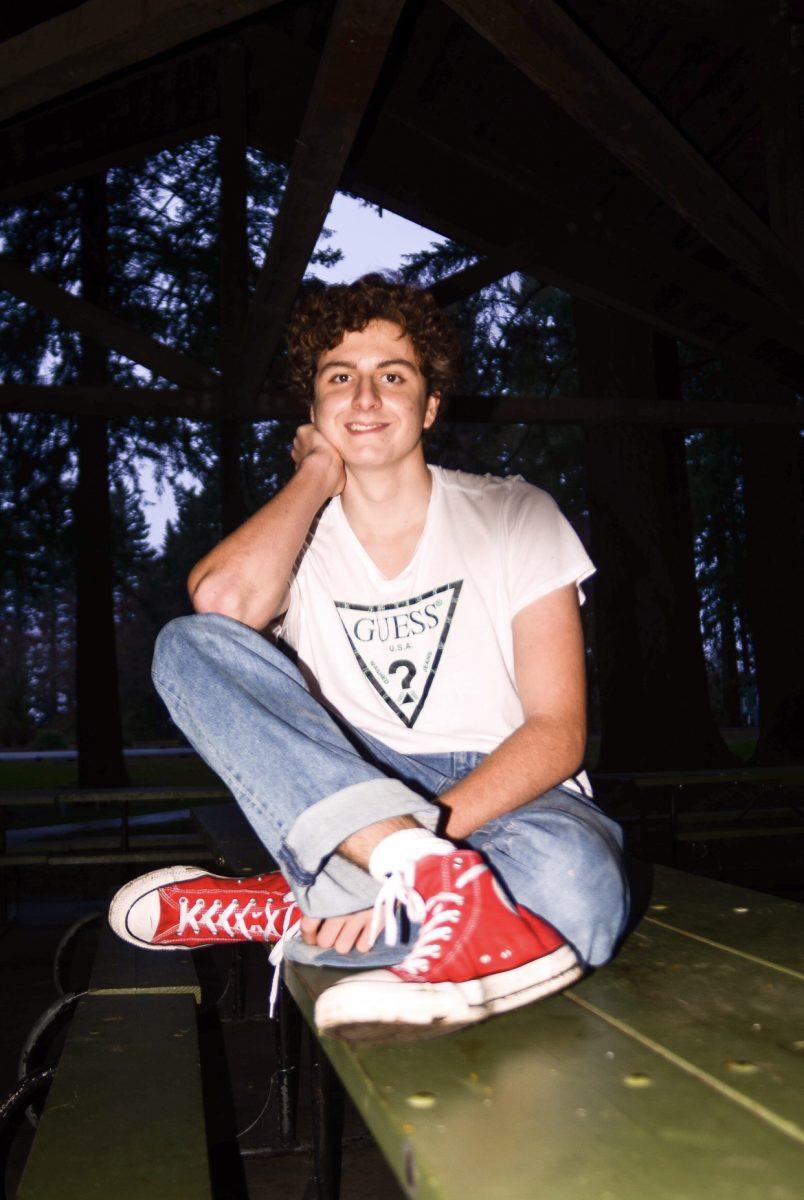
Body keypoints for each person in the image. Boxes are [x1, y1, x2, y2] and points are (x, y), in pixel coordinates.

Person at [109, 275, 628, 1040]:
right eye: (338, 378)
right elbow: (219, 605)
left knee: (576, 890)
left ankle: (303, 902)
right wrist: (317, 472)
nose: (365, 397)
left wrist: (391, 853)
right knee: (186, 645)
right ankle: (418, 900)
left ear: (430, 406)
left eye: (393, 376)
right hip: (353, 786)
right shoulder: (299, 540)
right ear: (313, 411)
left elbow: (556, 731)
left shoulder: (514, 512)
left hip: (515, 793)